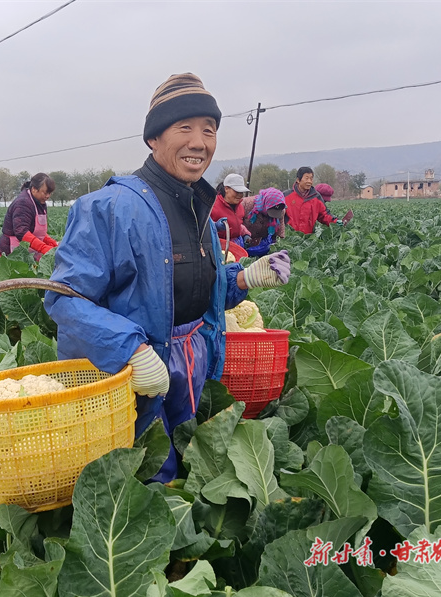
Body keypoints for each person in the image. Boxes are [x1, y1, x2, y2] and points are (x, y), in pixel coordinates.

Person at [45, 73, 290, 482]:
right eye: (185, 128)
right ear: (154, 139)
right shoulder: (108, 208)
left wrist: (241, 280)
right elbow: (65, 300)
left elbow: (188, 290)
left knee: (187, 480)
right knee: (143, 483)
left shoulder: (199, 209)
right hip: (133, 377)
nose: (199, 142)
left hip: (193, 367)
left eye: (209, 131)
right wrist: (130, 350)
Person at [0, 173, 59, 260]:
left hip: (28, 251)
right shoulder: (23, 203)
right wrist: (44, 248)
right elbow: (21, 232)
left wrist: (53, 243)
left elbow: (38, 231)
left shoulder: (39, 202)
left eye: (50, 193)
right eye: (45, 192)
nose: (48, 196)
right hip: (12, 253)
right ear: (34, 189)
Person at [284, 166, 343, 234]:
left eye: (311, 179)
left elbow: (324, 215)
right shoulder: (286, 196)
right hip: (288, 238)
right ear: (298, 180)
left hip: (307, 239)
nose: (309, 181)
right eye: (306, 178)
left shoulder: (316, 197)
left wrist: (335, 221)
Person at [241, 187, 287, 257]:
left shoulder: (281, 211)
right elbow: (236, 224)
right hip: (243, 241)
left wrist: (277, 247)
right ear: (265, 204)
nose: (272, 216)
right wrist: (244, 236)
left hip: (262, 245)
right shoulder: (246, 204)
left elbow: (280, 233)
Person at [210, 173, 252, 247]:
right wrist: (215, 227)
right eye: (237, 191)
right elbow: (203, 229)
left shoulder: (240, 207)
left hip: (235, 245)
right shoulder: (212, 206)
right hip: (218, 246)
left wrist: (245, 234)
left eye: (241, 192)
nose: (240, 195)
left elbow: (238, 224)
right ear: (226, 189)